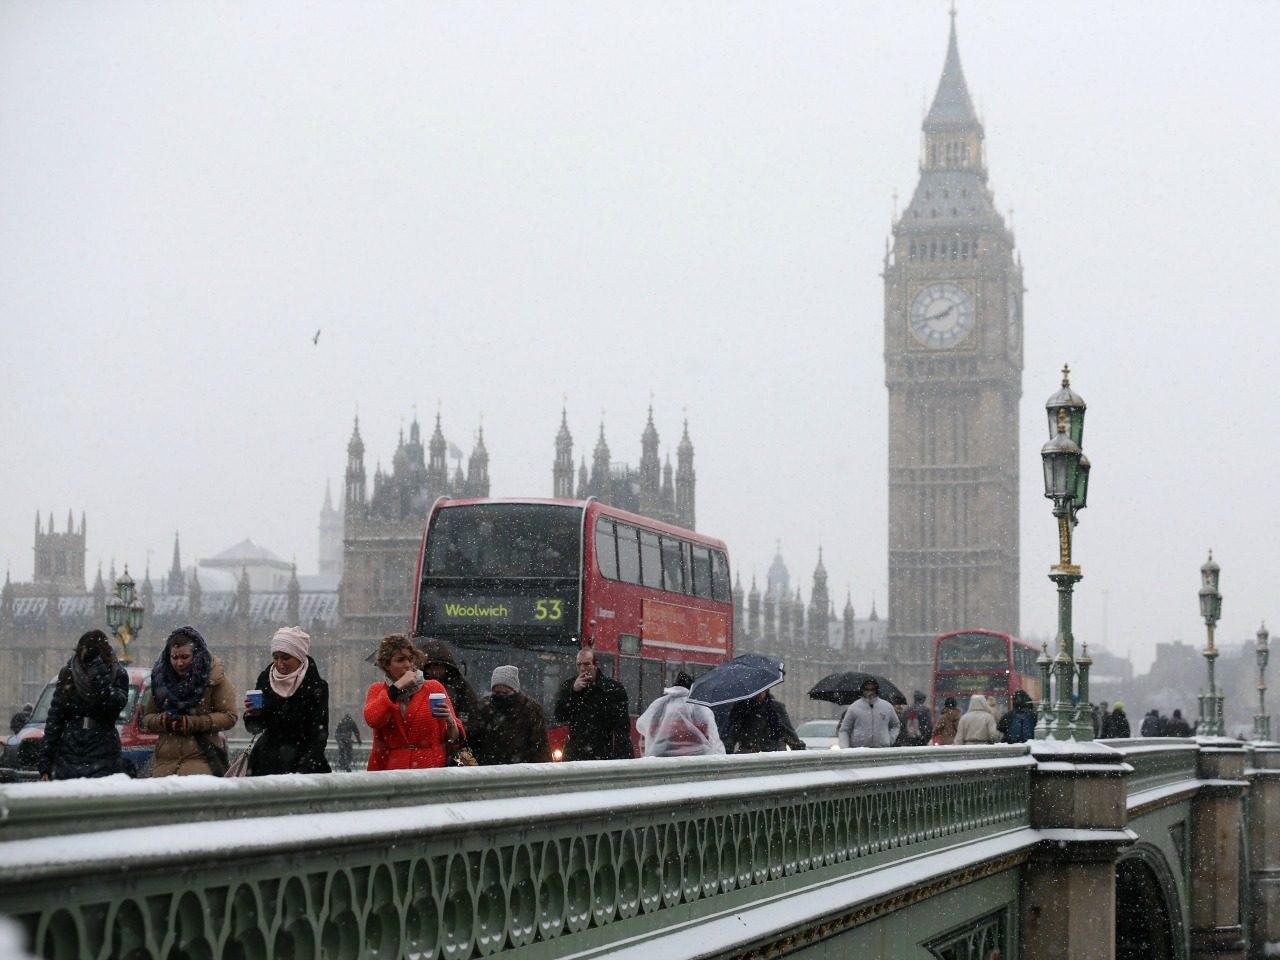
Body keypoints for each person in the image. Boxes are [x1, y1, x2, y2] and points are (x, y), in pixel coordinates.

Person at [142, 625, 238, 776]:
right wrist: (163, 721)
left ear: (197, 655)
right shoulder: (161, 681)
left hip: (201, 761)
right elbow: (147, 718)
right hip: (165, 765)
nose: (179, 663)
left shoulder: (214, 679)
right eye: (174, 658)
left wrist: (193, 723)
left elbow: (229, 716)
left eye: (185, 657)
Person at [38, 630, 129, 781]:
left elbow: (116, 705)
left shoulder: (117, 673)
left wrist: (99, 678)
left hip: (103, 747)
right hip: (70, 749)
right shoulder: (69, 674)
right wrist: (45, 762)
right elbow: (55, 720)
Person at [364, 634, 464, 770]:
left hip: (430, 769)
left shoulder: (433, 687)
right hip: (393, 772)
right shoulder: (377, 690)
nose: (408, 665)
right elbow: (373, 720)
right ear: (387, 665)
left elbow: (454, 738)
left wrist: (450, 721)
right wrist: (396, 688)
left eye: (410, 659)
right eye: (400, 660)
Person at [243, 625, 331, 776]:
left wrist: (305, 768)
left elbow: (319, 734)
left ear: (299, 656)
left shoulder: (317, 686)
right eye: (275, 657)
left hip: (302, 762)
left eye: (285, 658)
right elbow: (255, 729)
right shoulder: (265, 679)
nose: (279, 663)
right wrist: (253, 714)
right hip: (265, 762)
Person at [553, 648, 633, 760]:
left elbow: (622, 729)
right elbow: (559, 716)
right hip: (574, 755)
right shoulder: (568, 686)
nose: (582, 668)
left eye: (586, 664)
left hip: (601, 754)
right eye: (579, 664)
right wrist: (573, 692)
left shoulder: (613, 689)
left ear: (596, 665)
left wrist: (623, 759)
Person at [466, 665, 552, 765]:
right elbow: (470, 741)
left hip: (521, 769)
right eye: (497, 692)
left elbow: (540, 746)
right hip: (488, 770)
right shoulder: (482, 708)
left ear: (515, 690)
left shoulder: (531, 710)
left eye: (505, 693)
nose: (501, 696)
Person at [636, 671, 725, 757]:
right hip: (697, 760)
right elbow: (712, 735)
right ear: (692, 687)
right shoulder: (698, 706)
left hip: (662, 758)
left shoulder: (660, 704)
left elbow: (642, 724)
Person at [418, 636, 480, 724]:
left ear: (447, 667)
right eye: (430, 668)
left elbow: (474, 717)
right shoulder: (417, 684)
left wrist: (457, 730)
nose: (434, 672)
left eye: (438, 667)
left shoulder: (460, 685)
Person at [724, 689, 805, 753]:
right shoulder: (742, 708)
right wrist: (727, 751)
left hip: (772, 752)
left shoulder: (776, 708)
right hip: (749, 753)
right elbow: (733, 732)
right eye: (756, 691)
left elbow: (787, 730)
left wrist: (798, 747)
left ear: (767, 691)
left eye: (761, 691)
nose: (758, 694)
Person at [838, 679, 900, 748]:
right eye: (867, 689)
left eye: (872, 689)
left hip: (881, 749)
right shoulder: (854, 707)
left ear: (876, 690)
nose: (870, 692)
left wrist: (890, 739)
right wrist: (845, 748)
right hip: (859, 750)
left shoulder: (887, 707)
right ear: (863, 690)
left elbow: (896, 725)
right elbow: (844, 730)